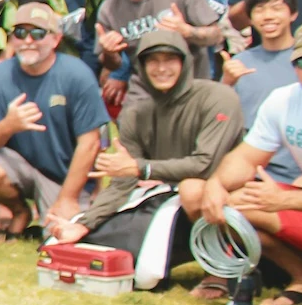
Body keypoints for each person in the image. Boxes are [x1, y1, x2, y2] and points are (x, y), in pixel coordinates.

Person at [63, 28, 241, 243]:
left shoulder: (218, 97)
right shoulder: (135, 114)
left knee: (191, 190)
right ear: (142, 67)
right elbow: (123, 182)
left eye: (170, 60)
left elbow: (205, 164)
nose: (161, 68)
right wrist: (84, 223)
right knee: (107, 241)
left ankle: (220, 268)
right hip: (169, 204)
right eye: (153, 61)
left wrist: (141, 168)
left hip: (225, 195)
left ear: (185, 63)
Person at [190, 31, 302, 305]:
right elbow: (245, 158)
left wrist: (285, 200)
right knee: (219, 200)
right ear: (294, 67)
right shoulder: (284, 100)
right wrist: (217, 185)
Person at [0, 4, 108, 237]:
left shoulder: (77, 75)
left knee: (64, 235)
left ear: (55, 39)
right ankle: (19, 211)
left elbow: (90, 143)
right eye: (20, 33)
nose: (28, 41)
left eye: (37, 34)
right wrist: (8, 125)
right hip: (20, 168)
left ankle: (62, 206)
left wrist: (68, 198)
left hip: (64, 177)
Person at [95, 0, 225, 107]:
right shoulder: (109, 9)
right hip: (145, 95)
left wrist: (187, 31)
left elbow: (216, 35)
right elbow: (112, 65)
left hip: (192, 89)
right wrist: (109, 53)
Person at [226, 0, 300, 138]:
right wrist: (227, 83)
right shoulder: (240, 62)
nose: (268, 16)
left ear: (293, 14)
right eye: (259, 10)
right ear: (250, 18)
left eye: (276, 8)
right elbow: (222, 114)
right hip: (251, 153)